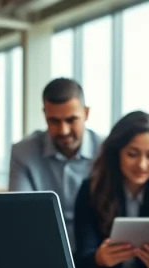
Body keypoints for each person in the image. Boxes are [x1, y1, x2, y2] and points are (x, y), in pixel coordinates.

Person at [73, 111, 149, 268]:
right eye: (132, 154)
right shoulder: (91, 190)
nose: (142, 165)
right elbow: (81, 261)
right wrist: (99, 258)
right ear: (117, 153)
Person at [8, 78, 102, 247]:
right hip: (44, 246)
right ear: (45, 115)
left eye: (71, 120)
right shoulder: (23, 152)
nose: (63, 130)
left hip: (97, 252)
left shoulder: (106, 150)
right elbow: (21, 214)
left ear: (86, 113)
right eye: (54, 121)